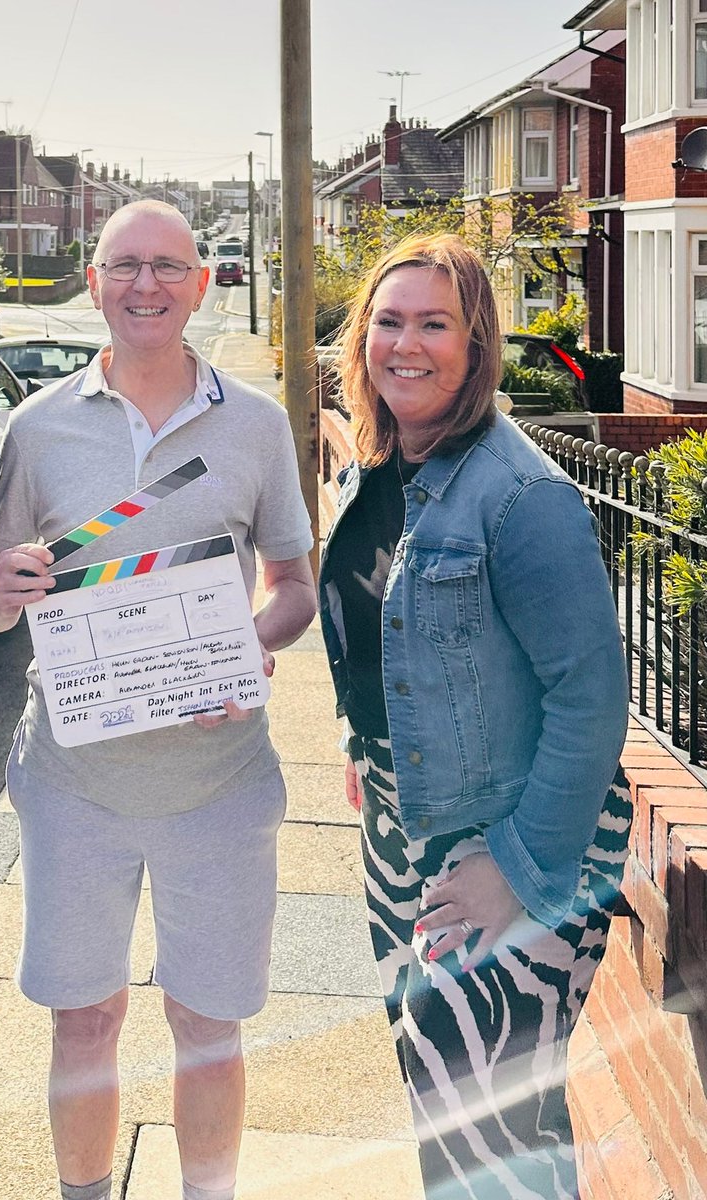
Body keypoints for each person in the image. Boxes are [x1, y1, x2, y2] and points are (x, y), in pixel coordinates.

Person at [0, 199, 317, 1200]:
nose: (146, 284)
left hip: (220, 781)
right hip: (73, 781)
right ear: (94, 284)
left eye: (168, 265)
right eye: (124, 265)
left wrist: (250, 647)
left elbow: (293, 587)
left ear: (202, 285)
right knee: (84, 1019)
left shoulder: (256, 425)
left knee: (207, 1025)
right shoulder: (36, 428)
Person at [319, 232, 632, 1199]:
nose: (406, 344)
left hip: (504, 834)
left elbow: (592, 699)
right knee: (451, 1107)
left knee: (488, 1131)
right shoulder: (383, 464)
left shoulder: (520, 495)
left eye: (435, 324)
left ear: (477, 343)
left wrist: (517, 869)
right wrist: (363, 742)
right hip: (405, 827)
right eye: (389, 321)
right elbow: (383, 631)